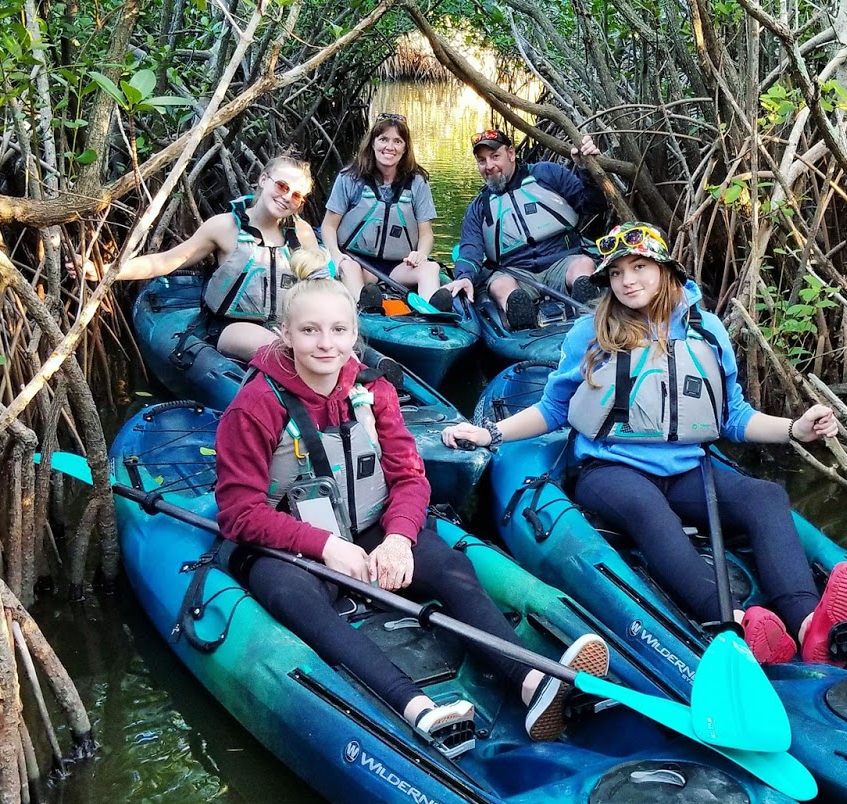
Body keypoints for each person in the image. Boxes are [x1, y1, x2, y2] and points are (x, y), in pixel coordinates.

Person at [442, 223, 847, 666]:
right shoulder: (589, 333)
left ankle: (808, 624)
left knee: (766, 496)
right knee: (647, 508)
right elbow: (553, 409)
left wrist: (795, 429)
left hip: (686, 471)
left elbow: (733, 418)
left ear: (665, 270)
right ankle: (735, 622)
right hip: (610, 471)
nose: (626, 281)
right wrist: (490, 434)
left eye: (639, 267)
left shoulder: (707, 331)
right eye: (616, 273)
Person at [216, 277, 610, 755]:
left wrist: (399, 538)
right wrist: (327, 546)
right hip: (293, 545)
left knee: (448, 565)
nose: (325, 344)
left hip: (372, 528)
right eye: (310, 330)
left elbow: (409, 478)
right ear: (286, 333)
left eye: (338, 330)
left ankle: (529, 679)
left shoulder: (374, 388)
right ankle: (415, 706)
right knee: (292, 595)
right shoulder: (255, 405)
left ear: (354, 332)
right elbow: (238, 514)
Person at [116, 155, 321, 361]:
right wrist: (109, 271)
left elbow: (321, 287)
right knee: (284, 352)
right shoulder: (224, 226)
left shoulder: (302, 233)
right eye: (282, 186)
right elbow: (164, 262)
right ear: (263, 179)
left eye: (296, 196)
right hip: (230, 327)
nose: (287, 197)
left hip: (284, 328)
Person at [442, 129, 604, 331]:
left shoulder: (547, 174)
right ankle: (524, 328)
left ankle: (589, 325)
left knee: (584, 265)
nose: (489, 166)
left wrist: (586, 169)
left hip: (563, 260)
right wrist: (465, 277)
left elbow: (593, 204)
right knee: (500, 286)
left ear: (511, 153)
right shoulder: (478, 207)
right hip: (514, 272)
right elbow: (469, 250)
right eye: (482, 161)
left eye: (495, 156)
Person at [321, 113, 449, 313]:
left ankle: (431, 316)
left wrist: (421, 254)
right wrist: (336, 256)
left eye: (397, 141)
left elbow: (426, 234)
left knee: (431, 268)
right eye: (383, 139)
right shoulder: (349, 178)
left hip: (400, 267)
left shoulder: (417, 182)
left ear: (405, 148)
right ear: (372, 143)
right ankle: (367, 311)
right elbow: (329, 226)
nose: (390, 147)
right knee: (347, 267)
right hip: (359, 264)